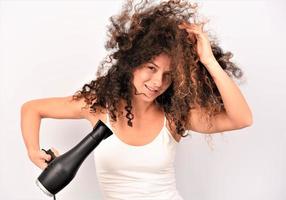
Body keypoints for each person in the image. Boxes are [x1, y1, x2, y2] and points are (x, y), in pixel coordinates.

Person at [20, 0, 253, 199]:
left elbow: (242, 118)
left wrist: (208, 60)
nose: (157, 82)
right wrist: (33, 151)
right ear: (132, 62)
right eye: (151, 68)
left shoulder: (173, 117)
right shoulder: (98, 107)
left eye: (168, 75)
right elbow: (32, 109)